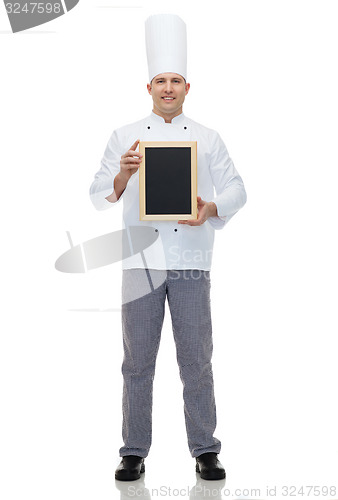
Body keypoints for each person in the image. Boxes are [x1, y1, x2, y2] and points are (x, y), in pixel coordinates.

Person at [89, 14, 247, 481]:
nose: (168, 88)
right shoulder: (125, 136)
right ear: (149, 86)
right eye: (161, 80)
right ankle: (133, 449)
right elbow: (99, 192)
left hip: (193, 261)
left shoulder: (207, 137)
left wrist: (210, 207)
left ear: (186, 87)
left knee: (196, 358)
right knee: (137, 359)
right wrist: (122, 174)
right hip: (140, 263)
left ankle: (205, 448)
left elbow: (238, 189)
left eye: (176, 80)